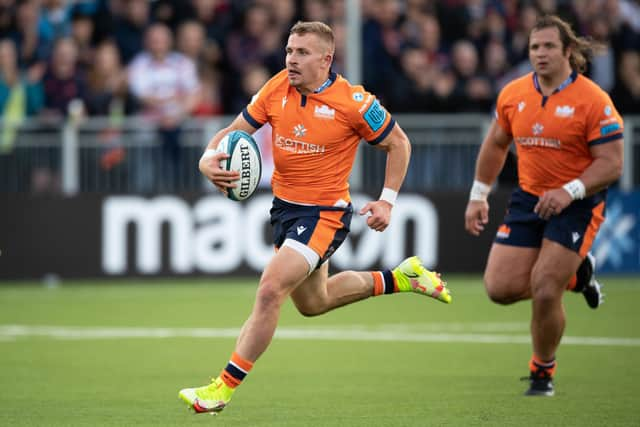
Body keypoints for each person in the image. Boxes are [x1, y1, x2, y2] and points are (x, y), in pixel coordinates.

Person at [179, 21, 452, 415]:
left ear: (326, 59)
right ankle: (401, 278)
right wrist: (207, 157)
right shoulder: (276, 87)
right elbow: (234, 131)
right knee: (313, 303)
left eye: (302, 53)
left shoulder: (353, 102)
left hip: (325, 214)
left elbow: (399, 143)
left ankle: (222, 388)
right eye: (289, 51)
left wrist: (387, 201)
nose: (291, 59)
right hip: (285, 210)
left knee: (271, 288)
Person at [464, 15, 624, 397]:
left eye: (549, 46)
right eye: (535, 47)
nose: (540, 53)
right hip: (529, 198)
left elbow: (612, 163)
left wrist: (570, 190)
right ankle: (577, 276)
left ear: (568, 51)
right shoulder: (514, 94)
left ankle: (541, 371)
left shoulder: (592, 100)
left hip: (578, 203)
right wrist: (478, 195)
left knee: (545, 287)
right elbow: (496, 144)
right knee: (499, 289)